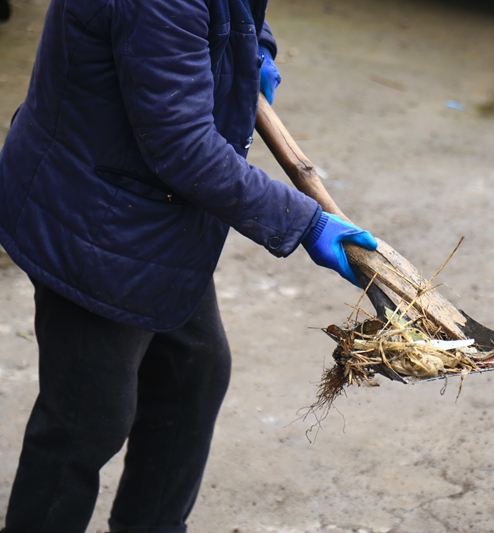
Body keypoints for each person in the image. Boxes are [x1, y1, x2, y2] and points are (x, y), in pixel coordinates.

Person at [0, 0, 377, 531]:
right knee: (86, 421)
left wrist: (256, 48)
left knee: (191, 375)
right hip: (95, 219)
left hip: (150, 215)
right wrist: (305, 223)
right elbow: (182, 145)